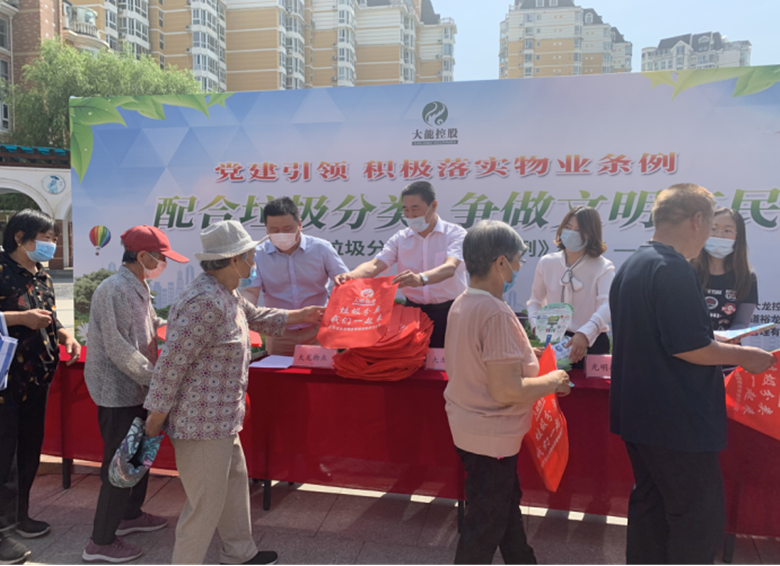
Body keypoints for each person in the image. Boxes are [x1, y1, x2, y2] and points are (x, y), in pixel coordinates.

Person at [609, 184, 776, 565]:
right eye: (711, 225)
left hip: (640, 415)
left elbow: (664, 335)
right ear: (697, 220)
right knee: (697, 520)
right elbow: (689, 347)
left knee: (651, 510)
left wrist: (713, 341)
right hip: (677, 421)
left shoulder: (634, 265)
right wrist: (745, 356)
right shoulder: (674, 269)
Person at [144, 221, 324, 565]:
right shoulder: (204, 301)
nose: (255, 261)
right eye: (250, 255)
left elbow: (257, 316)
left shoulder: (227, 293)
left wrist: (302, 315)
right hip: (200, 424)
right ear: (233, 259)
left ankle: (239, 553)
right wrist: (155, 418)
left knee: (233, 484)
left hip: (223, 418)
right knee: (205, 504)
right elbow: (172, 364)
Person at [444, 220, 572, 566]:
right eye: (517, 260)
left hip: (471, 427)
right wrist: (553, 380)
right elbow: (506, 390)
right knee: (485, 526)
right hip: (492, 436)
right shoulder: (494, 312)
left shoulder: (464, 302)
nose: (518, 267)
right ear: (501, 263)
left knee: (502, 509)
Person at [82, 226, 190, 564]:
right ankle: (100, 541)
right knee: (120, 464)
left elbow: (149, 325)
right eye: (160, 258)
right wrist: (158, 379)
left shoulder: (139, 286)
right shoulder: (112, 289)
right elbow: (119, 348)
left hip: (140, 389)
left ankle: (130, 515)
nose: (162, 264)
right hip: (117, 391)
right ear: (142, 256)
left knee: (140, 455)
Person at [0, 209, 81, 566]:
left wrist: (65, 335)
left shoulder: (41, 274)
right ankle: (2, 533)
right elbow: (25, 316)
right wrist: (20, 318)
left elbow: (50, 315)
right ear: (20, 237)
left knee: (29, 451)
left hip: (37, 377)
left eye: (53, 239)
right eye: (45, 238)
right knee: (4, 456)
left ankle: (20, 516)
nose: (51, 245)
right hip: (5, 380)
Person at [335, 181, 467, 348]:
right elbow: (375, 265)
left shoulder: (455, 234)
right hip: (412, 313)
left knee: (448, 361)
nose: (410, 215)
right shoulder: (401, 238)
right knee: (410, 360)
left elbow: (450, 268)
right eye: (405, 210)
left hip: (449, 311)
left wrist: (420, 279)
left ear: (433, 206)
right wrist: (351, 275)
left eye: (415, 208)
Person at [241, 197, 348, 356]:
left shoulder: (322, 249)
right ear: (266, 229)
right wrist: (244, 315)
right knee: (278, 372)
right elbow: (250, 291)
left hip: (318, 330)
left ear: (300, 225)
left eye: (287, 229)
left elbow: (344, 281)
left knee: (321, 371)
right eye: (274, 230)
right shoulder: (258, 255)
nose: (281, 234)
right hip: (279, 331)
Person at [527, 206, 614, 367]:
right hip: (557, 343)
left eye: (579, 230)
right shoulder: (547, 262)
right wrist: (536, 327)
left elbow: (608, 305)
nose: (572, 233)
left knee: (589, 384)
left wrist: (585, 333)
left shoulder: (603, 266)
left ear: (591, 234)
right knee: (553, 383)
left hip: (591, 341)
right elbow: (535, 302)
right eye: (568, 227)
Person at [691, 208, 758, 332]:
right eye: (713, 229)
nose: (719, 235)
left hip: (726, 344)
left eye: (727, 231)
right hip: (690, 342)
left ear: (738, 237)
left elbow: (741, 323)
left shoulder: (746, 277)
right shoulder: (687, 270)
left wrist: (726, 338)